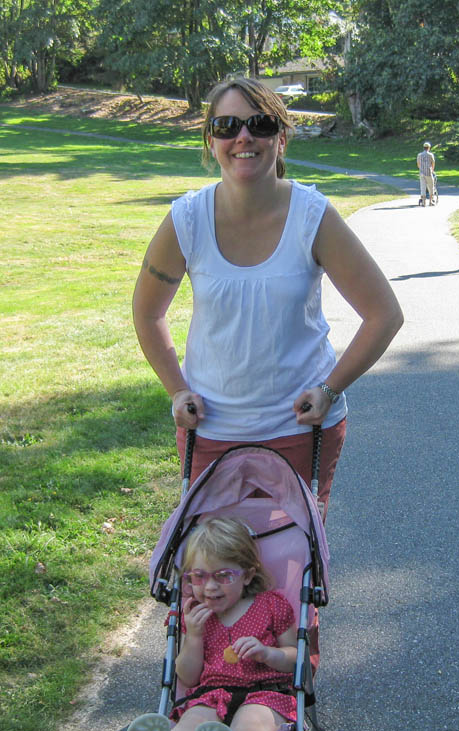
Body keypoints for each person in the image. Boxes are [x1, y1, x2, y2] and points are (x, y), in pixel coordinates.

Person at [132, 77, 403, 520]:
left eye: (259, 124)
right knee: (215, 582)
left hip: (299, 431)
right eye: (226, 125)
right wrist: (177, 389)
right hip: (210, 433)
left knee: (289, 576)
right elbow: (147, 312)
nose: (243, 137)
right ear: (210, 139)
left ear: (280, 138)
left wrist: (329, 391)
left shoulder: (312, 216)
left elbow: (384, 314)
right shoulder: (188, 219)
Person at [123, 517, 298, 731]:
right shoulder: (195, 616)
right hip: (210, 695)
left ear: (247, 575)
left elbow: (296, 659)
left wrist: (267, 653)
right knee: (190, 727)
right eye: (199, 576)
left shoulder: (271, 605)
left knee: (248, 730)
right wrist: (194, 636)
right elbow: (187, 677)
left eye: (223, 576)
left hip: (264, 695)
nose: (210, 587)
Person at [416, 142, 436, 206]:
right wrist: (432, 170)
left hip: (422, 173)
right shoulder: (430, 155)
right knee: (431, 187)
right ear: (429, 148)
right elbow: (433, 163)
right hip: (428, 173)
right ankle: (431, 201)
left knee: (423, 187)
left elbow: (418, 164)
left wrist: (421, 169)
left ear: (424, 147)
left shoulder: (419, 155)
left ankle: (423, 202)